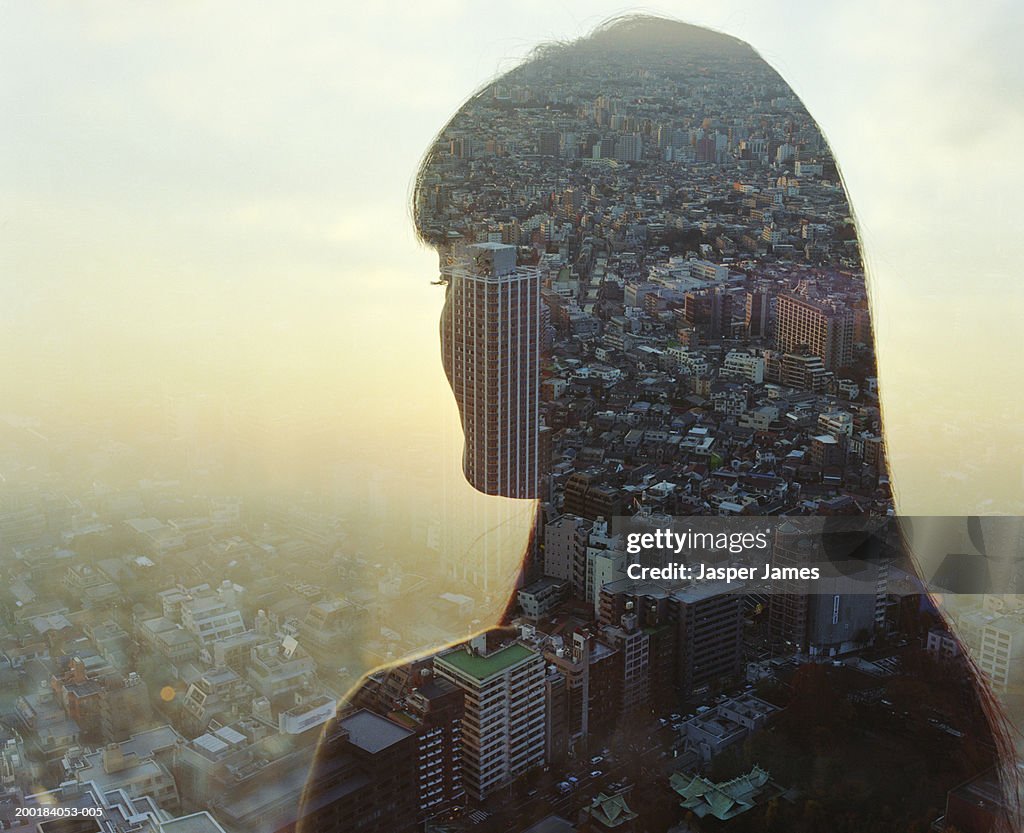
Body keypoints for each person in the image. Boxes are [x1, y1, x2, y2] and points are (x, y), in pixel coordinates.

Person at [298, 16, 1019, 833]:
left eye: (483, 270)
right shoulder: (880, 633)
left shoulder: (389, 739)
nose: (457, 325)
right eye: (449, 277)